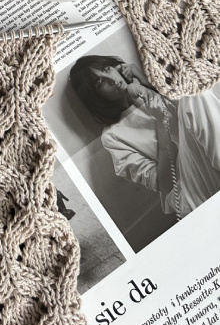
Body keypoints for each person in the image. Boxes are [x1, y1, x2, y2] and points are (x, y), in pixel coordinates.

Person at [70, 55, 220, 219]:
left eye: (107, 69)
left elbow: (194, 119)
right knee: (194, 97)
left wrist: (149, 83)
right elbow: (165, 183)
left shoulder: (150, 90)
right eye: (101, 82)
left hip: (209, 161)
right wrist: (162, 124)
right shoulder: (112, 136)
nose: (111, 80)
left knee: (196, 94)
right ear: (95, 95)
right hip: (189, 187)